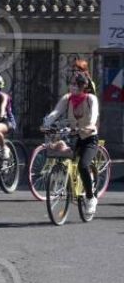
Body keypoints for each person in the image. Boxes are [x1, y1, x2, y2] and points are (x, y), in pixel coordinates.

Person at [42, 72, 100, 215]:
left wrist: (91, 125)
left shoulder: (90, 99)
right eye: (71, 83)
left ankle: (90, 197)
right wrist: (46, 123)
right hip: (74, 137)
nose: (72, 87)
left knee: (83, 165)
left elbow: (93, 116)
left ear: (83, 86)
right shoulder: (67, 99)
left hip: (89, 138)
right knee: (60, 150)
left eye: (76, 84)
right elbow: (55, 113)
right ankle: (62, 179)